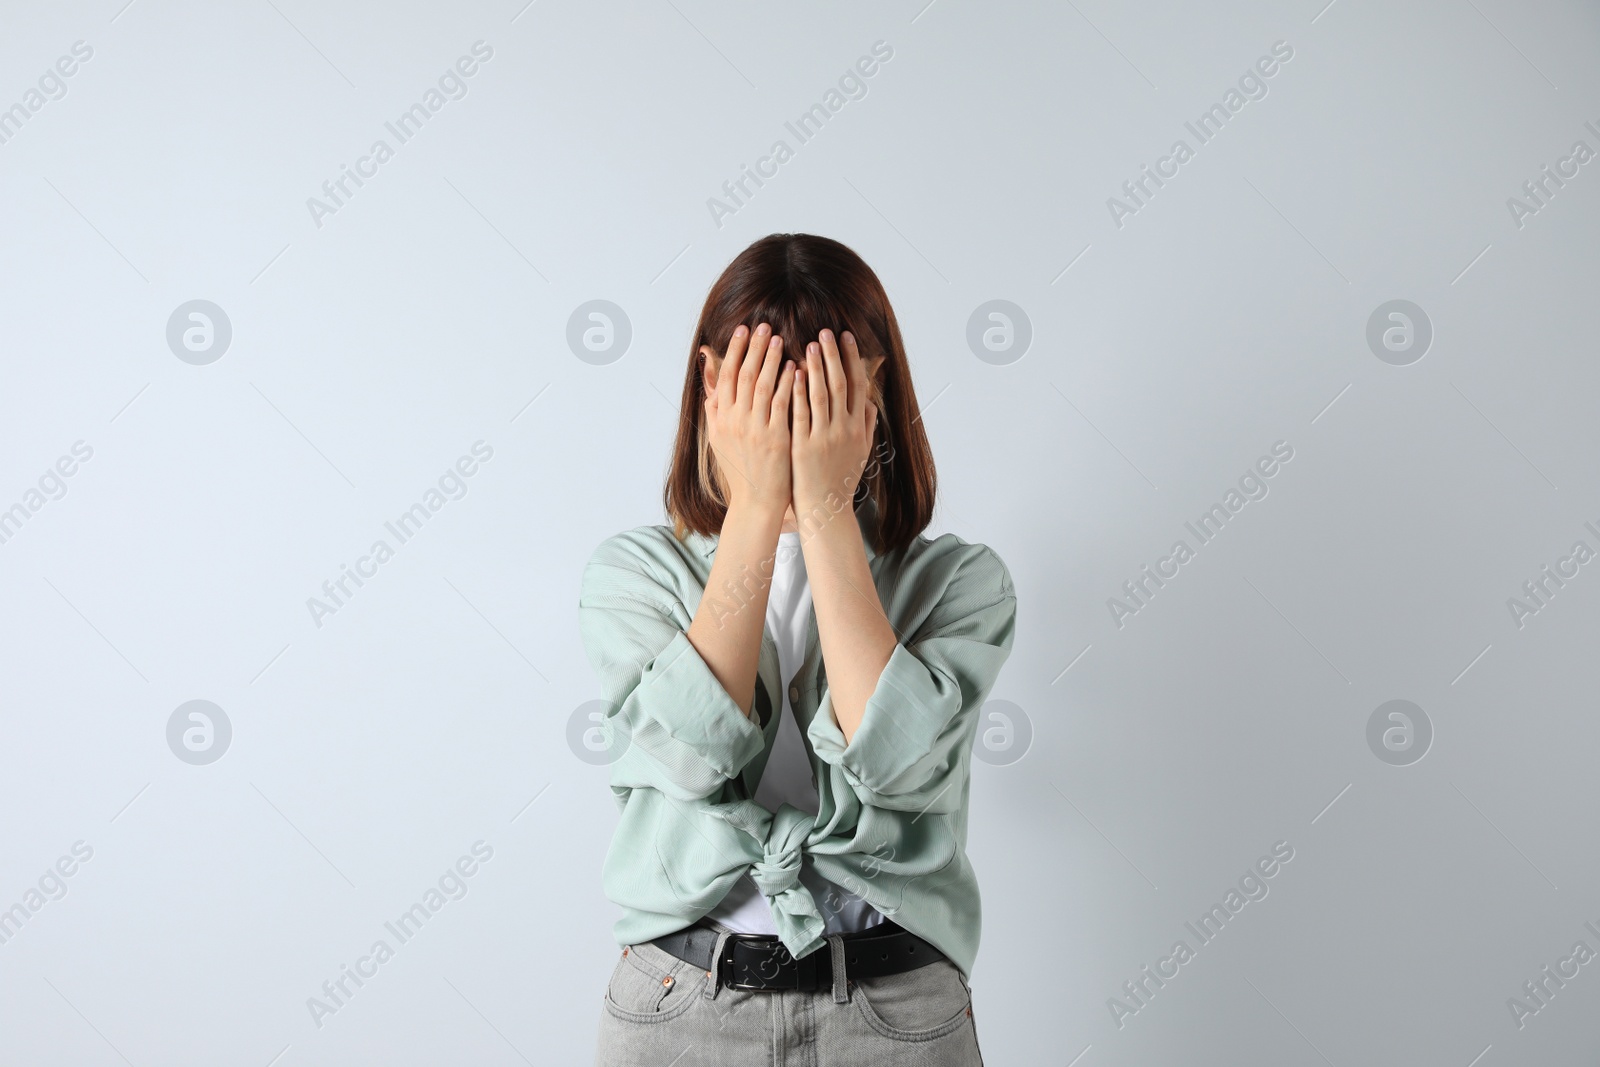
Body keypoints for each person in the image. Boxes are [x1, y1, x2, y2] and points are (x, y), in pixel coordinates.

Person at [580, 233, 1017, 1065]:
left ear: (871, 393)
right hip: (678, 1008)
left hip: (896, 1012)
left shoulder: (962, 584)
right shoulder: (629, 576)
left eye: (815, 397)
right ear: (713, 386)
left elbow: (893, 765)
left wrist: (823, 508)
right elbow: (695, 754)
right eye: (762, 396)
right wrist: (754, 509)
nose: (787, 427)